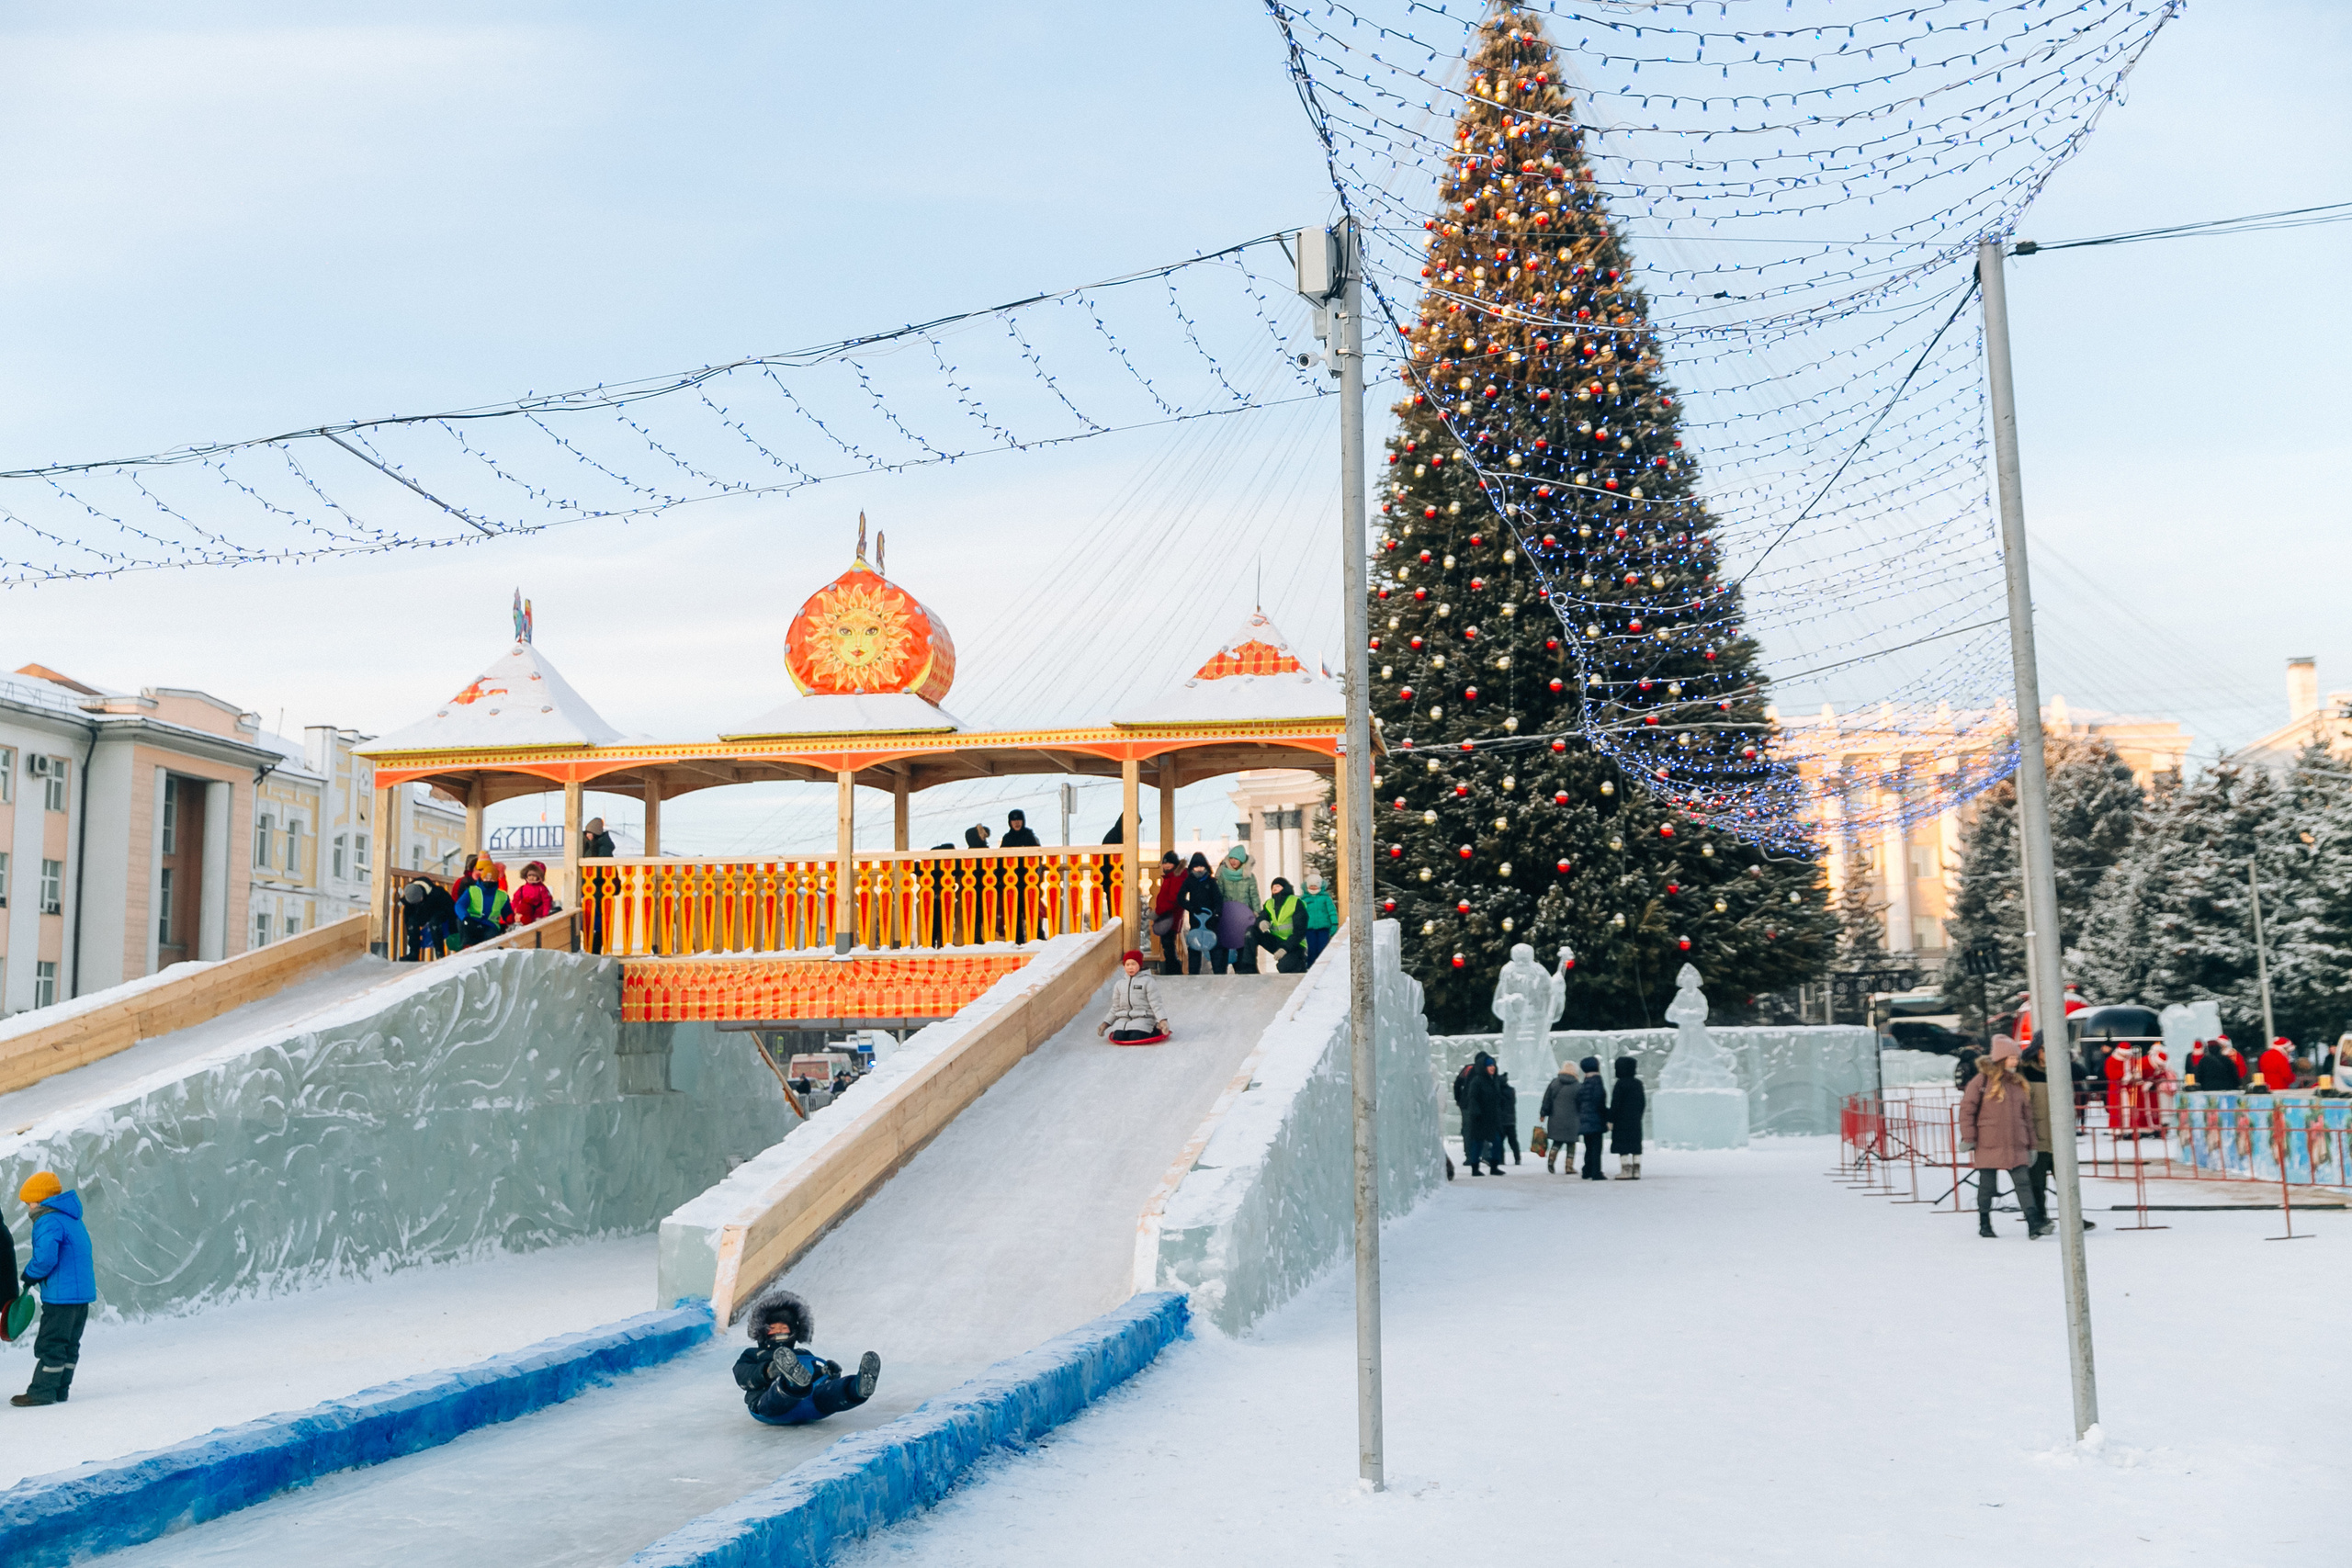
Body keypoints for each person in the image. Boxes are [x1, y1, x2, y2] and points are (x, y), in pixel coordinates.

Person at [732, 1288, 880, 1427]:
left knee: (826, 1392)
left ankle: (856, 1387)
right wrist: (768, 1371)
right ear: (763, 1331)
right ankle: (793, 1383)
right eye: (773, 1328)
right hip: (768, 1403)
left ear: (793, 1332)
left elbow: (814, 1374)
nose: (779, 1331)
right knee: (779, 1392)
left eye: (784, 1328)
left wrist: (826, 1373)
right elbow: (742, 1375)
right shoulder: (753, 1354)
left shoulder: (802, 1353)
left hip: (810, 1403)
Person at [12, 1171, 95, 1407]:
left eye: (29, 1203)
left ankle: (42, 1392)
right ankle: (60, 1390)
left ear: (39, 1200)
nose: (29, 1209)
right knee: (69, 1344)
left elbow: (46, 1257)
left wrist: (29, 1275)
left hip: (61, 1296)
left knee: (51, 1343)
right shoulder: (71, 1218)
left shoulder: (47, 1220)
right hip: (81, 1295)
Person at [1959, 1036, 2048, 1238]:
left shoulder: (2018, 1083)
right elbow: (1967, 1110)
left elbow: (2027, 1117)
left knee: (2023, 1183)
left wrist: (2032, 1144)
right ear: (2000, 1058)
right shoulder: (1981, 1081)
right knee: (1987, 1185)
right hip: (1988, 1141)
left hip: (2016, 1143)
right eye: (2011, 1058)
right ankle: (1985, 1223)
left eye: (2016, 1058)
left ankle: (2033, 1223)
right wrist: (1969, 1137)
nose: (2016, 1062)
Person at [2019, 1040, 2094, 1234]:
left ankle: (2073, 1218)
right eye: (2044, 1049)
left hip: (2060, 1137)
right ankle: (2040, 1220)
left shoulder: (2063, 1070)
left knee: (2067, 1182)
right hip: (2037, 1136)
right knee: (2037, 1184)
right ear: (2037, 1050)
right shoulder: (2025, 1072)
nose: (2048, 1053)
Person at [1097, 951, 1170, 1043]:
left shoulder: (1148, 981)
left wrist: (1163, 1020)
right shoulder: (1120, 984)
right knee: (1118, 1037)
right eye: (1127, 964)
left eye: (1133, 964)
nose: (1130, 967)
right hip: (1124, 1019)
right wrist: (1105, 1024)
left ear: (1140, 965)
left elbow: (1156, 1004)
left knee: (1135, 1037)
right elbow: (1115, 1007)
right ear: (1124, 966)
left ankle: (1155, 1029)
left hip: (1143, 1018)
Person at [1214, 846, 1260, 975]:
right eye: (1231, 858)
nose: (1233, 861)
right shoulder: (1223, 874)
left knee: (1243, 945)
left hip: (1244, 918)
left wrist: (1257, 913)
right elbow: (1219, 894)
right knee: (1224, 943)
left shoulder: (1249, 877)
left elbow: (1254, 896)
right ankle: (1220, 973)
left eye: (1236, 859)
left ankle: (1243, 972)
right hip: (1227, 916)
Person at [1248, 877, 1310, 973]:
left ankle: (1301, 963)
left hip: (1294, 945)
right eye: (1273, 887)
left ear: (1285, 888)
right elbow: (1262, 916)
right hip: (1276, 941)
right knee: (1251, 931)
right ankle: (1248, 968)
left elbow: (1300, 932)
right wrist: (1262, 922)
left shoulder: (1295, 902)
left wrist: (1285, 949)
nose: (1274, 888)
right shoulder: (1269, 903)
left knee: (1284, 967)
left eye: (1278, 886)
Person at [1178, 852, 1222, 976]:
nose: (1199, 869)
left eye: (1201, 867)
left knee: (1214, 945)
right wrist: (1191, 908)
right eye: (1196, 867)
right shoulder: (1189, 881)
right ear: (1192, 868)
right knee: (1194, 946)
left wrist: (1216, 915)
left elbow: (1218, 900)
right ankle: (1193, 975)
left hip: (1211, 920)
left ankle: (1218, 974)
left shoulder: (1211, 882)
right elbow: (1180, 898)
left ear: (1206, 867)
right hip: (1196, 920)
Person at [1461, 1054, 1505, 1175]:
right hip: (1480, 1118)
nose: (1492, 1068)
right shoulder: (1477, 1081)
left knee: (1497, 1141)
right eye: (1489, 1066)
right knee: (1478, 1143)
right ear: (1484, 1067)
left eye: (1493, 1065)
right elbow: (1473, 1098)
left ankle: (1494, 1166)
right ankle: (1475, 1168)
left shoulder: (1493, 1081)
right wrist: (1476, 1113)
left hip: (1492, 1117)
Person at [452, 870, 513, 948]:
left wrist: (511, 919)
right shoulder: (472, 890)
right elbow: (459, 905)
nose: (489, 881)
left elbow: (507, 912)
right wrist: (465, 917)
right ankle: (467, 948)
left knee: (490, 945)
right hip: (472, 921)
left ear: (496, 880)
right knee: (462, 923)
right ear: (482, 878)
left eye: (492, 879)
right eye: (486, 878)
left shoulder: (502, 896)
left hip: (490, 925)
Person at [1539, 1061, 1580, 1174]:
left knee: (1557, 1141)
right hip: (1573, 1120)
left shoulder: (1554, 1083)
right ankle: (1569, 1167)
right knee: (1571, 1144)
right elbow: (1581, 1104)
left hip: (1556, 1118)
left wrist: (1543, 1114)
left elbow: (1546, 1100)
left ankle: (1551, 1159)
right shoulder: (1578, 1086)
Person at [1609, 1055, 1646, 1179]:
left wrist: (1611, 1118)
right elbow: (1642, 1102)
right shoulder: (1638, 1084)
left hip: (1621, 1121)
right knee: (1635, 1145)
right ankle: (1636, 1169)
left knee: (1623, 1145)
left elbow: (1616, 1103)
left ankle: (1626, 1169)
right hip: (1635, 1119)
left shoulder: (1619, 1084)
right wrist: (1639, 1116)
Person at [401, 877, 456, 960]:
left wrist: (453, 931)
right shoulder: (409, 899)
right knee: (412, 922)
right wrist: (410, 931)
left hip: (438, 912)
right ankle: (413, 953)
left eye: (419, 900)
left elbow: (451, 910)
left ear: (422, 893)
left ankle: (440, 953)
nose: (418, 902)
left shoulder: (437, 893)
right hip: (421, 914)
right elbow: (407, 918)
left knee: (435, 923)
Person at [1574, 1055, 1611, 1180]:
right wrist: (1606, 1116)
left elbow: (1578, 1100)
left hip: (1584, 1119)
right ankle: (1596, 1172)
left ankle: (1587, 1169)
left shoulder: (1584, 1083)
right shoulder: (1597, 1081)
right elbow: (1599, 1100)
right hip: (1596, 1119)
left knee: (1588, 1146)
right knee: (1596, 1147)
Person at [1151, 852, 1187, 975]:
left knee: (1168, 944)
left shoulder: (1176, 877)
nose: (1166, 866)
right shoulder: (1171, 877)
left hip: (1170, 916)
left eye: (1169, 863)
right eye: (1164, 863)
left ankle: (1173, 971)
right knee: (1167, 944)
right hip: (1167, 916)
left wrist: (1158, 912)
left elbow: (1173, 899)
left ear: (1175, 864)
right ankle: (1172, 970)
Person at [1299, 873, 1338, 965]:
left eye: (1315, 886)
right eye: (1311, 887)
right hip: (1309, 929)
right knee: (1311, 949)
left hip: (1323, 929)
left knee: (1323, 948)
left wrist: (1334, 924)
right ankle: (1311, 966)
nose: (1313, 888)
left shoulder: (1326, 899)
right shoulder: (1303, 900)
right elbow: (1300, 915)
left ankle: (1323, 966)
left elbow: (1332, 912)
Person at [510, 861, 557, 925]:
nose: (532, 878)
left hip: (537, 917)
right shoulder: (522, 889)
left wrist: (545, 915)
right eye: (530, 875)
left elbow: (547, 902)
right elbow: (515, 900)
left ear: (539, 877)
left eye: (534, 876)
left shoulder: (542, 889)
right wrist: (515, 912)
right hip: (523, 917)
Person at [1496, 1066, 1521, 1167]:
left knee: (1500, 1142)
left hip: (1501, 1121)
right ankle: (1517, 1158)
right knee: (1513, 1141)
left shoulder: (1498, 1092)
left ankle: (1501, 1160)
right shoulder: (1511, 1091)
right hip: (1511, 1120)